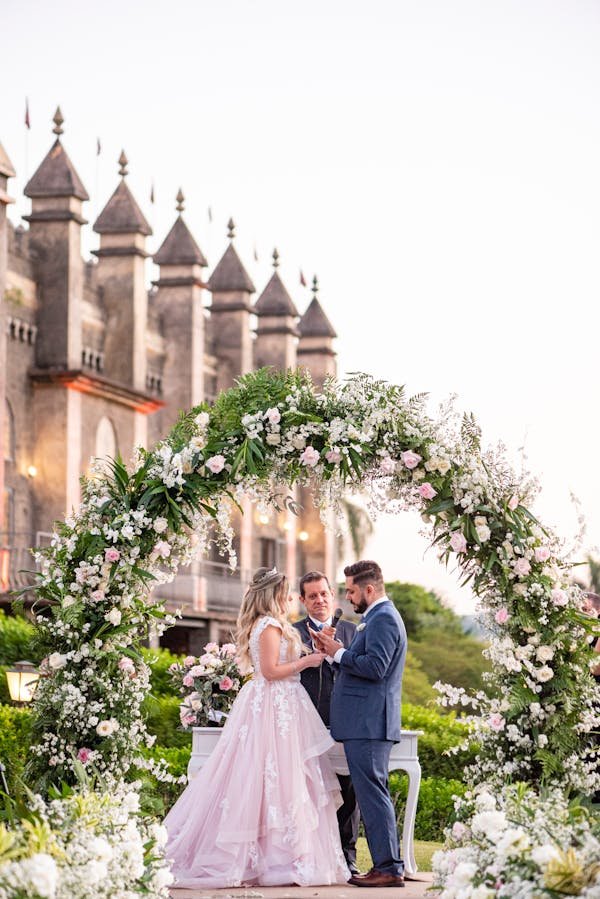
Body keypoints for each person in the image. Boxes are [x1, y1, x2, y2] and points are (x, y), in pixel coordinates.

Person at [164, 566, 350, 888]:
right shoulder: (267, 625)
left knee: (285, 781)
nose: (290, 597)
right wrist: (306, 662)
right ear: (274, 594)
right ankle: (274, 861)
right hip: (273, 707)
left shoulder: (273, 625)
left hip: (284, 707)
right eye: (286, 591)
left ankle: (286, 856)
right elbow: (269, 671)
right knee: (270, 779)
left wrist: (313, 652)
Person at [312, 560, 407, 888]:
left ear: (369, 589)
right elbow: (363, 666)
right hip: (364, 724)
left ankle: (388, 868)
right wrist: (333, 652)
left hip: (369, 725)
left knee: (373, 796)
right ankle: (390, 864)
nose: (348, 597)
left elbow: (376, 667)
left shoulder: (383, 618)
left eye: (351, 590)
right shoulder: (376, 618)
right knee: (373, 795)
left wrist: (339, 653)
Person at [293, 570, 361, 873]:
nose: (319, 600)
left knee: (349, 790)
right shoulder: (291, 632)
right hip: (305, 722)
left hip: (344, 722)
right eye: (312, 596)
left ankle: (348, 857)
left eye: (323, 594)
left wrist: (335, 653)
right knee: (308, 791)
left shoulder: (353, 631)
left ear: (331, 595)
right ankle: (310, 858)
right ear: (302, 600)